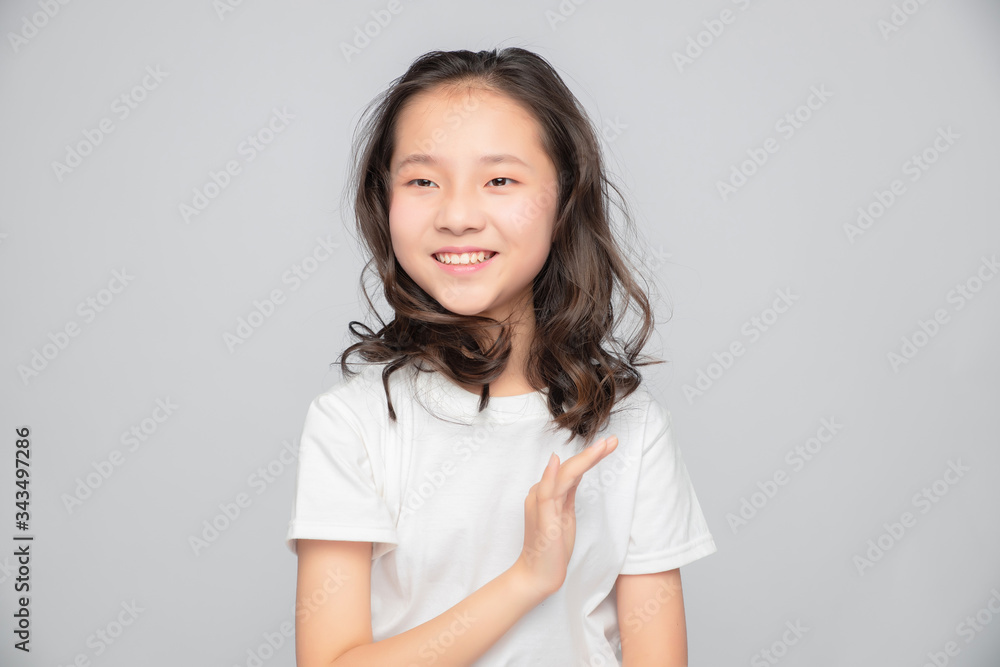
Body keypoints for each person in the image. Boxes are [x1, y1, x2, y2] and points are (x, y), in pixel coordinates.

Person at [285, 46, 717, 666]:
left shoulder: (629, 427)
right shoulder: (352, 424)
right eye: (423, 181)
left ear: (565, 200)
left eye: (500, 180)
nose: (458, 215)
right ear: (384, 202)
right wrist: (528, 579)